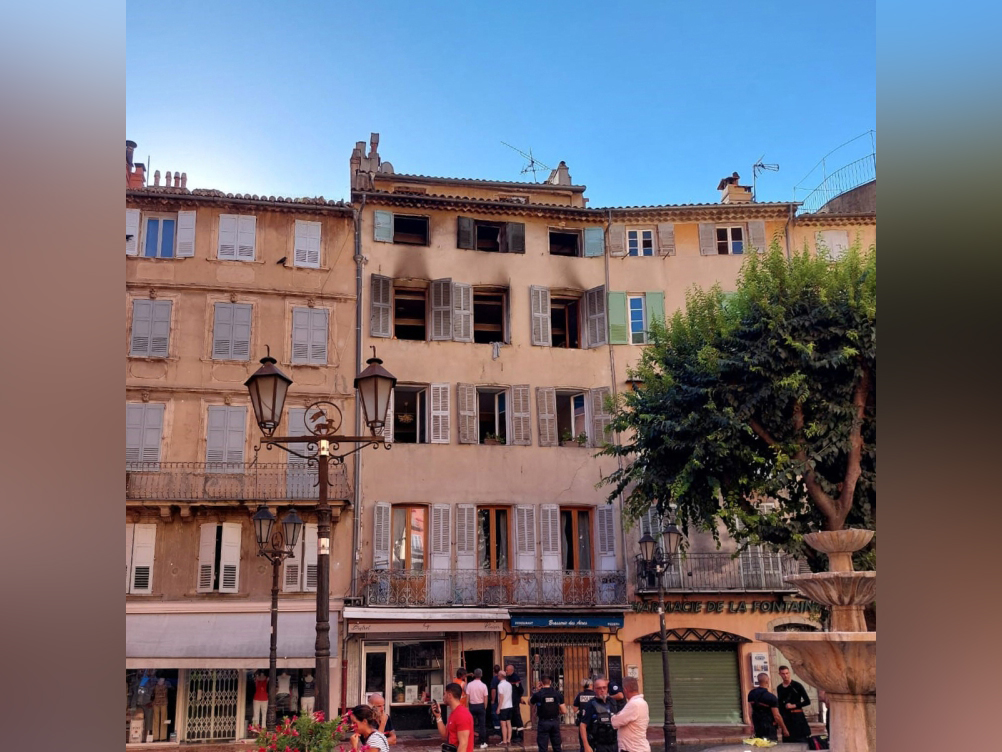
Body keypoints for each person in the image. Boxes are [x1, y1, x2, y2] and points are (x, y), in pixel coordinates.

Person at [609, 677, 649, 752]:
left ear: (625, 690)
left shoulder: (634, 704)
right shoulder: (642, 702)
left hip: (632, 748)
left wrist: (612, 715)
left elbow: (615, 722)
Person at [747, 673, 790, 742]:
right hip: (769, 727)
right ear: (767, 681)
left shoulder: (751, 694)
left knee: (759, 745)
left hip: (757, 726)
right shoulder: (771, 697)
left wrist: (752, 724)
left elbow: (750, 710)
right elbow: (777, 716)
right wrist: (784, 728)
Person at [529, 674, 566, 752]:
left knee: (543, 747)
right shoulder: (557, 694)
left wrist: (536, 690)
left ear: (541, 683)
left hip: (543, 722)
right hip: (555, 722)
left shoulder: (538, 694)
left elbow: (530, 702)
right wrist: (556, 710)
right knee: (557, 747)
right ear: (551, 682)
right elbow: (564, 711)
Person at [579, 677, 617, 752]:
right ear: (594, 689)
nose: (602, 690)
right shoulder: (591, 704)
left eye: (604, 688)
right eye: (599, 688)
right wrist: (586, 746)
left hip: (613, 744)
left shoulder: (612, 702)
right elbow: (583, 725)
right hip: (598, 745)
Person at [433, 683, 474, 752]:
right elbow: (444, 735)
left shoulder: (461, 715)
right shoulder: (454, 713)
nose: (443, 697)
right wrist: (438, 716)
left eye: (444, 694)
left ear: (449, 695)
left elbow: (463, 744)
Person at [776, 666, 813, 743]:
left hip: (798, 717)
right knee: (787, 740)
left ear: (789, 673)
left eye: (787, 673)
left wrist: (794, 705)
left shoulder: (797, 685)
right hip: (786, 718)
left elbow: (807, 701)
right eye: (783, 674)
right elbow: (780, 703)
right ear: (780, 674)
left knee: (801, 740)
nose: (785, 676)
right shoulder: (779, 688)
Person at [466, 669, 490, 749]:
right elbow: (485, 698)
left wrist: (467, 706)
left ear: (474, 675)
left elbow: (467, 698)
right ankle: (482, 742)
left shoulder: (469, 685)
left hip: (472, 706)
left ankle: (470, 742)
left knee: (470, 725)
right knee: (482, 725)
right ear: (481, 675)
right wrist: (485, 707)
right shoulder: (483, 685)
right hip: (480, 706)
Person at [572, 678, 596, 752]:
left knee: (583, 743)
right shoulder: (595, 695)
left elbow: (575, 709)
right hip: (595, 722)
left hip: (583, 722)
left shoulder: (580, 695)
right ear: (591, 685)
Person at [506, 664, 525, 743]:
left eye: (507, 670)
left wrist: (518, 698)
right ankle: (514, 735)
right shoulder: (508, 678)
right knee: (512, 718)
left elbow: (520, 689)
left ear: (511, 670)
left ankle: (520, 735)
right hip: (510, 701)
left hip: (515, 701)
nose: (506, 671)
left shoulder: (515, 678)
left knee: (517, 717)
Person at [496, 669, 513, 745]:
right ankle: (509, 739)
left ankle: (504, 740)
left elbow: (501, 697)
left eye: (498, 675)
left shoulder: (500, 685)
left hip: (503, 707)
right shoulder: (509, 684)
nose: (497, 676)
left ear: (500, 676)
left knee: (503, 724)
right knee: (509, 723)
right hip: (510, 705)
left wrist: (498, 708)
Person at [488, 664, 503, 742]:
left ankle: (497, 733)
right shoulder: (503, 679)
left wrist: (492, 700)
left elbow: (493, 690)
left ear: (494, 671)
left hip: (497, 701)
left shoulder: (494, 679)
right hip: (503, 701)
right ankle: (502, 732)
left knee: (495, 716)